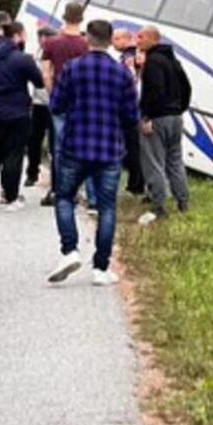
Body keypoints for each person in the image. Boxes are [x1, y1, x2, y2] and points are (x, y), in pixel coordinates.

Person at [47, 20, 139, 286]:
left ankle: (70, 250)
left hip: (75, 146)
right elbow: (131, 115)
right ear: (111, 41)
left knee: (64, 197)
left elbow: (57, 105)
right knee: (107, 207)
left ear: (88, 39)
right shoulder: (122, 74)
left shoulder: (73, 69)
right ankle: (101, 268)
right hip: (109, 149)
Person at [137, 25, 191, 224]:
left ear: (153, 39)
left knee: (154, 162)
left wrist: (147, 116)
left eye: (141, 37)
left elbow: (153, 91)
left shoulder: (153, 62)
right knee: (175, 160)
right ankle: (183, 200)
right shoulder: (173, 61)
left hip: (158, 118)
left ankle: (159, 205)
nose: (138, 40)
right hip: (175, 117)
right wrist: (179, 108)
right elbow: (187, 87)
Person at [0, 22, 44, 210]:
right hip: (17, 112)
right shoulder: (23, 59)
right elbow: (39, 82)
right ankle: (10, 196)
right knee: (13, 154)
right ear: (18, 35)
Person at [40, 2, 89, 208]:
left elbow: (46, 73)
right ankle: (78, 189)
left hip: (61, 98)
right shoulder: (86, 44)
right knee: (82, 145)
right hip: (83, 101)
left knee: (60, 147)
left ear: (63, 17)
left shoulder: (51, 43)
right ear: (81, 19)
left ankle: (60, 189)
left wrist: (53, 93)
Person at [112, 28, 145, 195]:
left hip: (130, 108)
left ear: (127, 39)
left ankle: (136, 183)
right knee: (133, 147)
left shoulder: (129, 58)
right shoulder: (133, 56)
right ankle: (136, 182)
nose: (113, 42)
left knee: (132, 148)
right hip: (135, 107)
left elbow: (128, 82)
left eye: (117, 39)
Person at [26, 27, 56, 187]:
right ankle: (32, 172)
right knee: (33, 140)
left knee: (54, 142)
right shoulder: (35, 56)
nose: (44, 44)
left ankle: (55, 178)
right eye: (41, 40)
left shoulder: (56, 53)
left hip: (53, 103)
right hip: (38, 103)